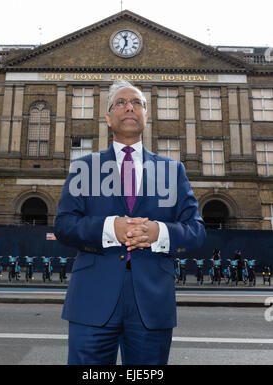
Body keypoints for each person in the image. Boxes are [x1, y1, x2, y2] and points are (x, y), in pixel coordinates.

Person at [54, 79, 206, 365]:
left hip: (151, 302)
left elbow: (196, 231)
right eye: (120, 103)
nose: (129, 106)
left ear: (146, 117)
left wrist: (158, 232)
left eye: (137, 102)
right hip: (92, 300)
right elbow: (63, 226)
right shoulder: (83, 167)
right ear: (109, 118)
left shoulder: (173, 171)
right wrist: (110, 229)